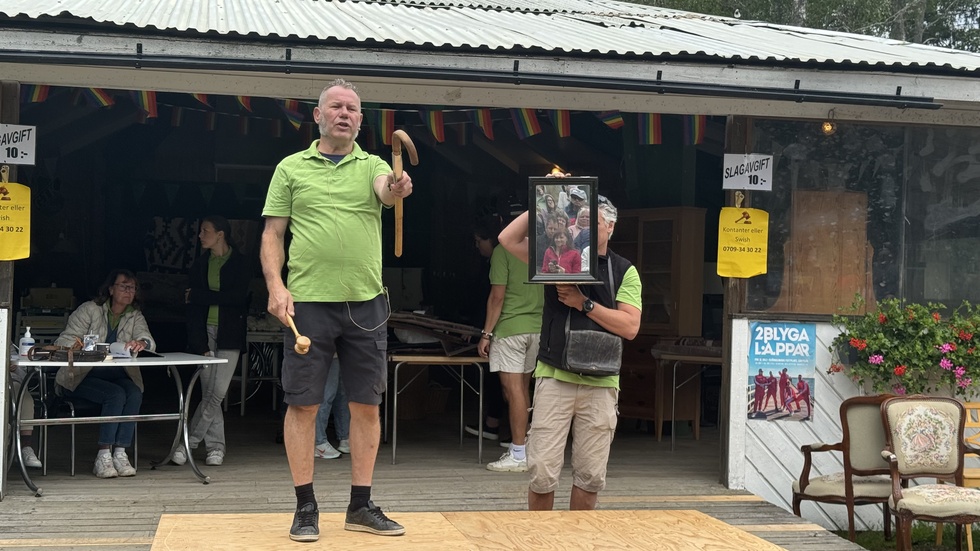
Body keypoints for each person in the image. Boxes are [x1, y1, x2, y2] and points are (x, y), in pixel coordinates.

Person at [260, 78, 410, 542]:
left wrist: (399, 185)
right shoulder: (290, 167)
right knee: (302, 405)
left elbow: (388, 191)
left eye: (353, 108)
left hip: (367, 304)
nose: (345, 113)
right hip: (306, 305)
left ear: (361, 120)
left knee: (366, 405)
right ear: (318, 116)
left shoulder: (374, 166)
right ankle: (306, 507)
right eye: (336, 107)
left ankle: (360, 506)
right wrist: (275, 285)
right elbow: (272, 235)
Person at [499, 180, 642, 511]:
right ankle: (540, 542)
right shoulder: (555, 257)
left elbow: (630, 327)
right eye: (581, 216)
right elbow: (507, 239)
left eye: (594, 219)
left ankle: (577, 542)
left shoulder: (625, 271)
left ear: (610, 225)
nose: (585, 222)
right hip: (555, 375)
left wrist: (584, 304)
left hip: (602, 381)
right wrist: (543, 196)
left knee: (590, 475)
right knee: (542, 471)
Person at [54, 269, 156, 479]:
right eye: (123, 286)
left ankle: (120, 452)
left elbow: (148, 340)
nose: (129, 291)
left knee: (135, 392)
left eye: (132, 288)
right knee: (116, 395)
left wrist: (141, 343)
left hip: (117, 375)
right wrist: (82, 347)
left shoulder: (134, 315)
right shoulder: (90, 310)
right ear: (110, 289)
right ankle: (103, 454)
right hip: (81, 376)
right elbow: (63, 341)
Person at [175, 215, 250, 468]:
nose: (200, 235)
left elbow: (239, 298)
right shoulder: (199, 265)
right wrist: (200, 344)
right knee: (209, 392)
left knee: (217, 393)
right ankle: (216, 448)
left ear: (221, 234)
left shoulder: (240, 263)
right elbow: (193, 309)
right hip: (205, 332)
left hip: (230, 332)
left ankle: (188, 443)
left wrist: (199, 295)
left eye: (205, 231)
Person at [476, 216, 544, 473]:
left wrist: (486, 334)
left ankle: (518, 453)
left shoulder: (503, 252)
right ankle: (525, 448)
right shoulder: (539, 251)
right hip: (537, 328)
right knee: (523, 390)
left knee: (513, 390)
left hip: (510, 329)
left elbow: (497, 296)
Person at [315, 356, 351, 459]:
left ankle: (344, 438)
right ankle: (319, 442)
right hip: (325, 350)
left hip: (341, 351)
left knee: (342, 395)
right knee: (326, 395)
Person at [10, 365, 42, 468]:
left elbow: (25, 377)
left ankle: (25, 446)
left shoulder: (11, 349)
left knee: (25, 399)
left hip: (11, 381)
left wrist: (16, 369)